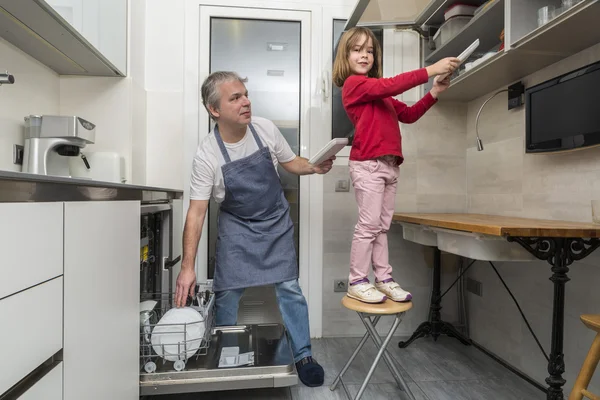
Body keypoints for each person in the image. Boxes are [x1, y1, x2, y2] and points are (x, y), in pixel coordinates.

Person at [174, 71, 334, 387]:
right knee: (226, 292)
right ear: (214, 109)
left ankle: (303, 354)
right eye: (235, 97)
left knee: (290, 289)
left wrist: (313, 166)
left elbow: (291, 163)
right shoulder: (208, 153)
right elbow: (196, 212)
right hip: (236, 226)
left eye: (245, 94)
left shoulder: (264, 129)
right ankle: (225, 354)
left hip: (275, 222)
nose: (246, 102)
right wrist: (187, 267)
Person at [332, 27, 459, 304]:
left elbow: (410, 114)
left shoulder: (381, 96)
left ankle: (383, 278)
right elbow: (390, 84)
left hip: (389, 166)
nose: (365, 55)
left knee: (380, 227)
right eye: (357, 49)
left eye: (369, 50)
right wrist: (430, 70)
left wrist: (435, 91)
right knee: (368, 225)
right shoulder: (355, 85)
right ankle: (357, 280)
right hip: (368, 164)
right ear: (346, 55)